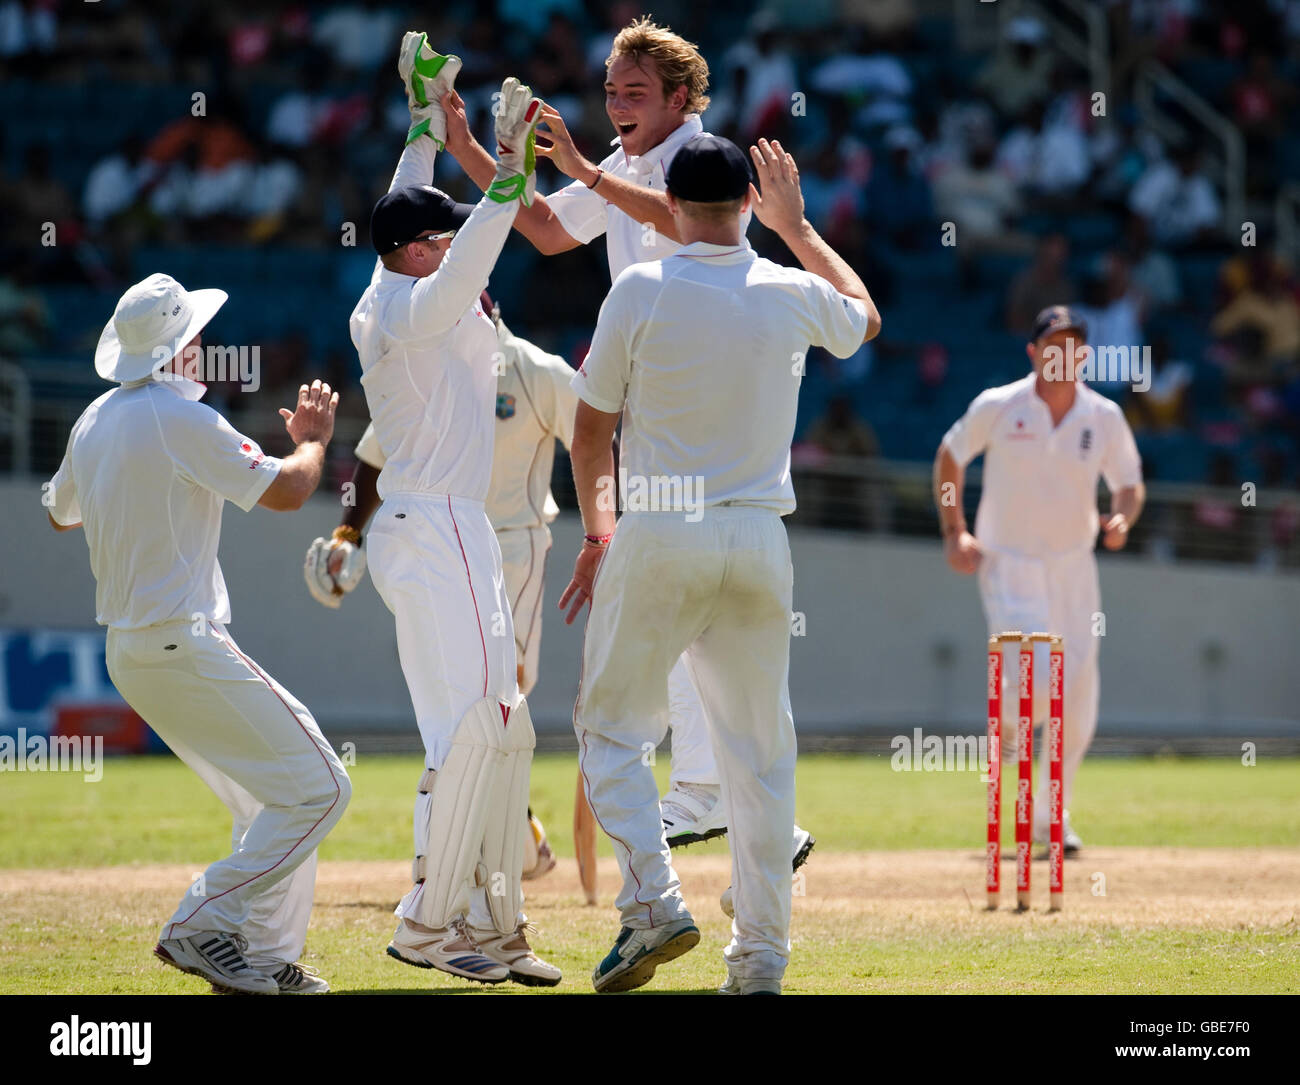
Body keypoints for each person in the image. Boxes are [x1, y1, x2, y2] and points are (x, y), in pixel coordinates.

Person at [439, 16, 816, 896]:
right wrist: (467, 148)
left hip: (703, 403)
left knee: (685, 597)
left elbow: (689, 229)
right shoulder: (620, 159)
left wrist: (583, 169)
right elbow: (541, 229)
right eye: (611, 89)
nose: (617, 103)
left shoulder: (703, 159)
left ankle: (700, 792)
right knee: (695, 609)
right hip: (659, 408)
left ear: (680, 98)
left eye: (634, 92)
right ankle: (752, 815)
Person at [560, 135, 880, 994]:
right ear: (748, 199)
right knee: (760, 756)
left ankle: (655, 903)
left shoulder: (639, 289)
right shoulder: (786, 286)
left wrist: (599, 533)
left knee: (611, 731)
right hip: (759, 537)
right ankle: (762, 959)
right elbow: (865, 318)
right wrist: (801, 227)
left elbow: (591, 433)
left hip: (661, 531)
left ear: (668, 199)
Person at [43, 272, 351, 995]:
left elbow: (59, 513)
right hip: (180, 640)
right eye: (195, 339)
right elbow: (288, 489)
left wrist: (126, 488)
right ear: (177, 351)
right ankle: (201, 923)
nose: (204, 348)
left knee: (268, 798)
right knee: (323, 788)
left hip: (131, 650)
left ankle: (259, 957)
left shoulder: (94, 421)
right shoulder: (180, 419)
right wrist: (310, 441)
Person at [350, 34, 558, 986]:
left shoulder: (389, 286)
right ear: (420, 250)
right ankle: (435, 922)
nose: (459, 238)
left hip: (426, 529)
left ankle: (486, 927)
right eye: (445, 233)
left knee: (474, 734)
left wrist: (426, 120)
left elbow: (414, 206)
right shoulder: (418, 306)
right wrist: (510, 176)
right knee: (490, 722)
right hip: (443, 526)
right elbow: (472, 252)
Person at [303, 293, 580, 894]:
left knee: (504, 692)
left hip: (514, 544)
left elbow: (594, 436)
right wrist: (348, 532)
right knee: (464, 697)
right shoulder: (427, 374)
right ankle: (505, 843)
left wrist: (609, 530)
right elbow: (376, 461)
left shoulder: (537, 371)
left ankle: (497, 847)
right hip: (444, 539)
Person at [932, 305, 1146, 855]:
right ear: (1034, 353)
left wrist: (1122, 518)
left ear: (1085, 354)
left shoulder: (1103, 416)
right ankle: (1006, 737)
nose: (1063, 354)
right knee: (1038, 675)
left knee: (1076, 694)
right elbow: (950, 458)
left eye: (1074, 344)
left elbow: (1128, 483)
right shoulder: (999, 405)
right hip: (1009, 563)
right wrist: (955, 530)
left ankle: (1055, 815)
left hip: (1075, 566)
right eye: (1053, 344)